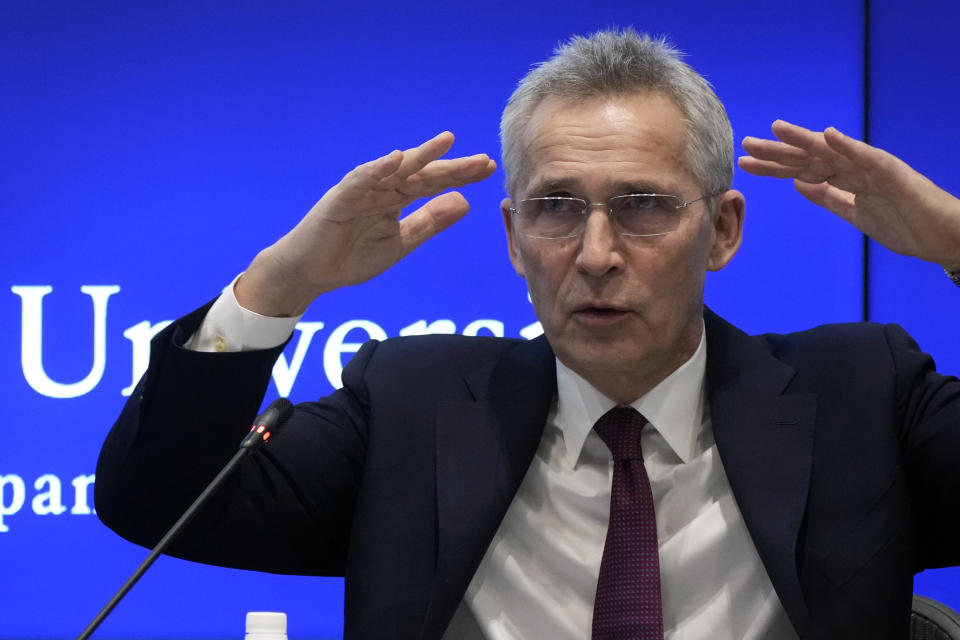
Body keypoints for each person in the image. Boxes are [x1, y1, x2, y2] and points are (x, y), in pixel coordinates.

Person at [95, 29, 960, 640]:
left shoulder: (859, 392)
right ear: (512, 238)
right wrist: (281, 284)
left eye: (644, 204)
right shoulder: (411, 404)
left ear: (724, 230)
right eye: (555, 208)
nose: (594, 254)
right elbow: (154, 499)